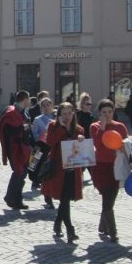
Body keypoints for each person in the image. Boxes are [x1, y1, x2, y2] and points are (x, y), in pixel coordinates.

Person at [41, 102, 85, 243]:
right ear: (59, 115)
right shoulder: (53, 127)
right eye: (64, 114)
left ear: (73, 114)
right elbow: (50, 142)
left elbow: (80, 150)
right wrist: (61, 128)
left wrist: (81, 141)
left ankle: (57, 223)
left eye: (69, 113)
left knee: (65, 200)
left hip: (72, 170)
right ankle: (70, 230)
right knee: (64, 199)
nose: (67, 116)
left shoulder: (79, 129)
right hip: (58, 170)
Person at [90, 99, 129, 242]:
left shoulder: (120, 127)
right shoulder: (95, 126)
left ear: (114, 112)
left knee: (110, 199)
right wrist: (103, 127)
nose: (107, 115)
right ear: (99, 113)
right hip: (101, 167)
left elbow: (126, 145)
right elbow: (97, 144)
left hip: (116, 167)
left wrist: (123, 147)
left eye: (109, 112)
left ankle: (102, 226)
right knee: (106, 197)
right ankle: (113, 231)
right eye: (103, 112)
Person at [0, 91, 32, 210]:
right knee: (18, 173)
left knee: (22, 174)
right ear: (25, 99)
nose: (29, 101)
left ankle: (17, 200)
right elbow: (7, 130)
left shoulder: (24, 112)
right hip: (14, 148)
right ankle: (10, 197)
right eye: (28, 99)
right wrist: (21, 128)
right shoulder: (11, 112)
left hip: (24, 147)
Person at [31, 98, 56, 205]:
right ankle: (37, 183)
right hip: (42, 147)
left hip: (53, 147)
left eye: (48, 105)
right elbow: (34, 134)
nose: (46, 107)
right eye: (44, 105)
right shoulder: (38, 119)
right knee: (38, 168)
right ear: (41, 107)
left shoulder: (57, 118)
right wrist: (42, 135)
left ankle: (50, 193)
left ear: (52, 105)